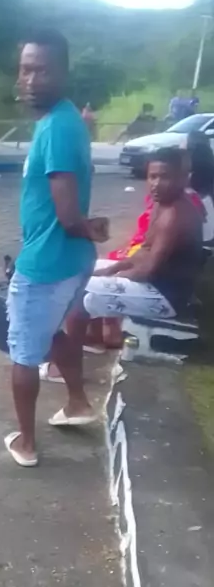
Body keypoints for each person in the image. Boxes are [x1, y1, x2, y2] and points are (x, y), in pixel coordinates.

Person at [4, 29, 107, 468]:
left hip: (46, 264)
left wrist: (84, 226)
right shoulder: (64, 120)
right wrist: (89, 227)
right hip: (71, 259)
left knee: (24, 355)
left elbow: (66, 214)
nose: (31, 80)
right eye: (26, 69)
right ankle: (78, 402)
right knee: (53, 333)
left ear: (63, 73)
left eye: (42, 71)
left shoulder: (58, 128)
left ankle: (26, 443)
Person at [53, 148, 203, 423]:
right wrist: (111, 269)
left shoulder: (175, 216)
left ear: (184, 177)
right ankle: (91, 343)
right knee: (80, 269)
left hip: (164, 297)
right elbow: (143, 251)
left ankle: (66, 368)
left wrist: (109, 278)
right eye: (152, 176)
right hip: (152, 284)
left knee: (79, 293)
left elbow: (147, 270)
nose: (156, 183)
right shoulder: (162, 205)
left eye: (165, 177)